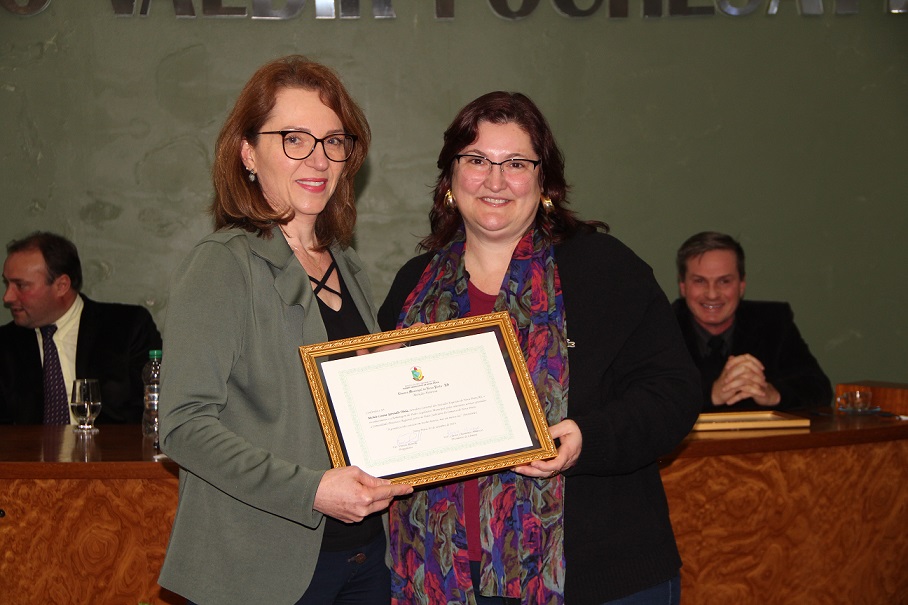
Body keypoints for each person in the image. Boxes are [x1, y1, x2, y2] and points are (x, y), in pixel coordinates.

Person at [378, 92, 701, 605]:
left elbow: (674, 395)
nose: (495, 181)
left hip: (600, 579)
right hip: (443, 579)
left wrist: (586, 438)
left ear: (544, 181)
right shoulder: (413, 287)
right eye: (477, 160)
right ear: (450, 178)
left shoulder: (605, 270)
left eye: (516, 164)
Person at [157, 56, 412, 605]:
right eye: (294, 139)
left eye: (333, 141)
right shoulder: (223, 263)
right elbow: (182, 426)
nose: (318, 159)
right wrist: (311, 490)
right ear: (248, 153)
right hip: (263, 569)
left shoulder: (346, 264)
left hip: (365, 556)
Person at [0, 231, 162, 425]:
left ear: (61, 285)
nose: (7, 297)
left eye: (21, 285)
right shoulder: (5, 344)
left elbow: (153, 408)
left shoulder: (128, 327)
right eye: (7, 283)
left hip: (113, 444)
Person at [673, 231, 833, 412]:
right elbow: (652, 403)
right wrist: (711, 395)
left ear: (742, 285)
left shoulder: (773, 322)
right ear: (682, 286)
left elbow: (819, 389)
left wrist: (773, 394)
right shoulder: (660, 328)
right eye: (700, 281)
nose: (712, 294)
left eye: (724, 281)